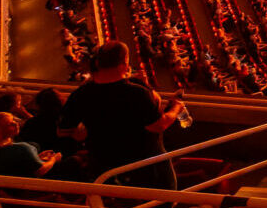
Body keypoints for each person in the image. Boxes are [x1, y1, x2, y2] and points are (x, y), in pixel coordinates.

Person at [58, 41, 184, 190]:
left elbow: (63, 131)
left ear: (97, 63)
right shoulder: (138, 93)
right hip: (146, 166)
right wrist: (175, 108)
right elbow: (158, 125)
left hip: (104, 165)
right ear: (124, 64)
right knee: (161, 206)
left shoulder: (80, 95)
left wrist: (86, 131)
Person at [0, 112, 60, 179]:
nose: (16, 123)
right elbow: (39, 171)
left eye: (14, 120)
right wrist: (53, 159)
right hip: (24, 193)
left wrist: (37, 157)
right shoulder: (21, 149)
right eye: (10, 124)